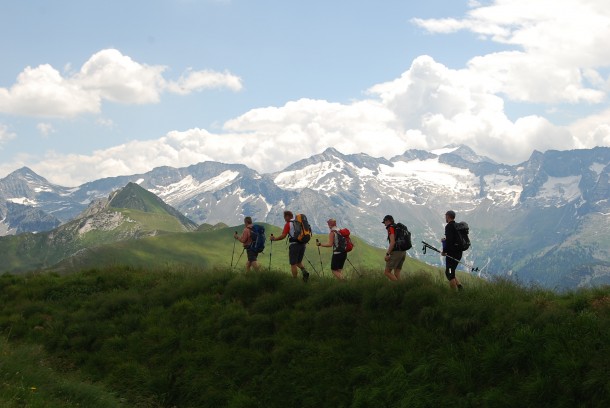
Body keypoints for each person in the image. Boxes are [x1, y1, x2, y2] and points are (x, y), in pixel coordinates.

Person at [269, 211, 310, 282]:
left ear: (288, 216)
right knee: (298, 262)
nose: (284, 219)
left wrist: (275, 239)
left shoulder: (288, 224)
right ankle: (305, 272)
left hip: (294, 245)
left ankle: (294, 280)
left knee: (293, 263)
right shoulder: (299, 223)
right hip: (303, 244)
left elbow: (283, 236)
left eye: (285, 217)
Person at [441, 210, 464, 291]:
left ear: (448, 216)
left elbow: (450, 242)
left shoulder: (449, 226)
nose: (445, 218)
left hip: (451, 255)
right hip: (459, 253)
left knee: (449, 273)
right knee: (452, 271)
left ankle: (454, 295)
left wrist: (444, 251)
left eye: (445, 216)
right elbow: (453, 239)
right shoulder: (457, 226)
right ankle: (460, 288)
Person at [382, 215, 406, 281]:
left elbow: (392, 242)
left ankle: (398, 287)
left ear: (388, 221)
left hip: (396, 252)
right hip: (403, 252)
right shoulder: (397, 227)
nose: (384, 225)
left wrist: (387, 254)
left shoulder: (391, 228)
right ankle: (402, 289)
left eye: (384, 222)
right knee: (397, 272)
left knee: (387, 272)